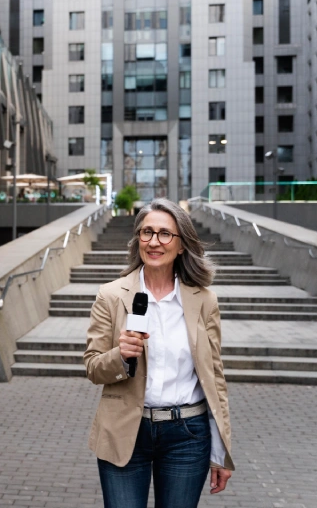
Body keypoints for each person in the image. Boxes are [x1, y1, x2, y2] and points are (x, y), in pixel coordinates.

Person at [84, 198, 234, 508]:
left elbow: (215, 377)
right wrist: (119, 356)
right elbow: (93, 367)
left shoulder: (204, 300)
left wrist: (221, 452)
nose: (154, 241)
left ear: (181, 245)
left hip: (187, 435)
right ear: (137, 239)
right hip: (126, 428)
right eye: (146, 232)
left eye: (165, 234)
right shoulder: (111, 295)